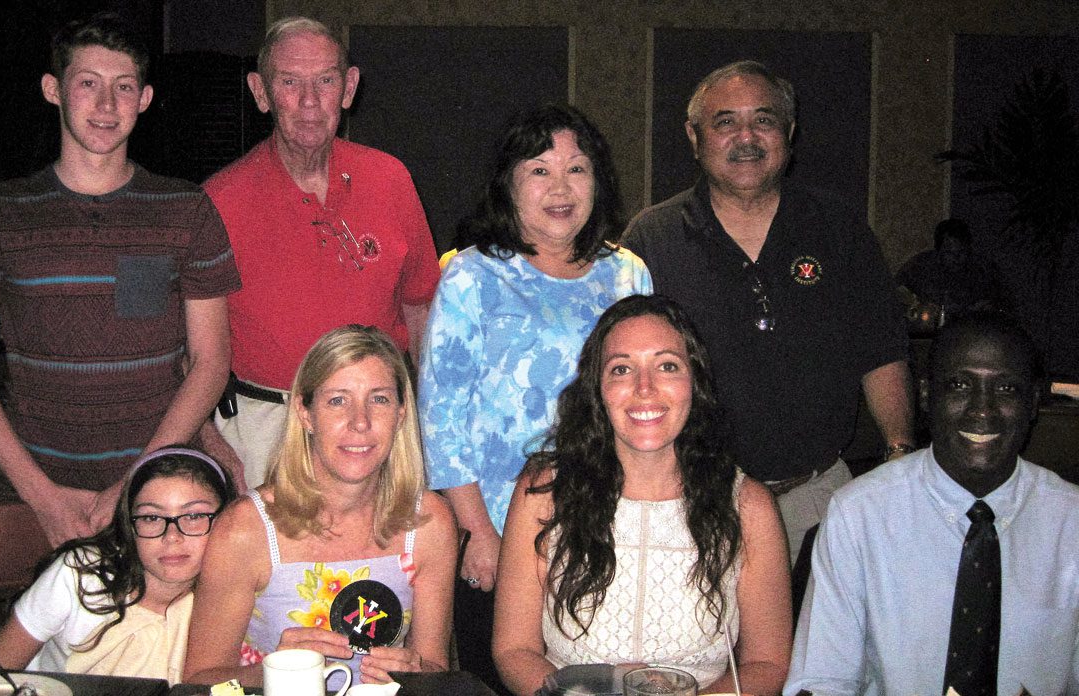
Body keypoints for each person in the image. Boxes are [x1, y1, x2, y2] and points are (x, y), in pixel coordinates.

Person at [0, 13, 241, 547]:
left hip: (162, 496)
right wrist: (42, 496)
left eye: (124, 87)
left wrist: (134, 485)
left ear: (145, 98)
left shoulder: (186, 210)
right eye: (88, 84)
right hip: (38, 496)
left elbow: (211, 363)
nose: (107, 106)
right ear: (53, 89)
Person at [621, 60, 914, 563]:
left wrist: (901, 462)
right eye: (725, 121)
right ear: (694, 136)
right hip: (692, 505)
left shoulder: (838, 228)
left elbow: (881, 353)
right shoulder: (652, 238)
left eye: (764, 120)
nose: (746, 137)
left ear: (790, 133)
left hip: (820, 499)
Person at [417, 104, 652, 692]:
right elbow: (440, 414)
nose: (561, 187)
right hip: (497, 525)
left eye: (578, 169)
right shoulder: (473, 274)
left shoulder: (628, 275)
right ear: (510, 184)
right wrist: (477, 533)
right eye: (540, 170)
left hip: (609, 525)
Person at [493, 295, 791, 696]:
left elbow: (768, 664)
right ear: (598, 389)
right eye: (621, 369)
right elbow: (514, 650)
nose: (645, 388)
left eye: (667, 365)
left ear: (695, 382)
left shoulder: (748, 506)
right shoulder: (544, 493)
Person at [785, 311, 1079, 696]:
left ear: (1034, 402)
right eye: (960, 385)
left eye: (1006, 390)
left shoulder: (1070, 522)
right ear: (926, 395)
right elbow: (823, 682)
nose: (982, 410)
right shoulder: (860, 516)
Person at [205, 16, 440, 490]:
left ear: (349, 87)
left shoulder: (391, 180)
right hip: (265, 431)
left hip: (376, 428)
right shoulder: (218, 201)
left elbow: (422, 309)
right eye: (289, 82)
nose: (309, 102)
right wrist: (209, 441)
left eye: (325, 81)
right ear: (260, 91)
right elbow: (187, 349)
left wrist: (429, 424)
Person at [183, 325, 457, 688]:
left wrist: (416, 671)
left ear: (402, 413)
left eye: (379, 399)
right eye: (337, 400)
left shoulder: (428, 522)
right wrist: (272, 673)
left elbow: (436, 669)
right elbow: (198, 682)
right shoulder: (245, 530)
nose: (360, 422)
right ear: (305, 413)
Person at [0, 447, 235, 684]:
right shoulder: (80, 573)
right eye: (151, 517)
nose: (172, 537)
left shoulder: (236, 599)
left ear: (227, 521)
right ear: (129, 525)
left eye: (193, 516)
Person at [897, 218, 1005, 320]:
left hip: (971, 331)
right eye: (949, 252)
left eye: (961, 251)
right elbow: (896, 294)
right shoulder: (920, 267)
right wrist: (918, 306)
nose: (956, 258)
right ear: (938, 250)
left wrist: (987, 307)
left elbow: (1002, 302)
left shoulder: (982, 269)